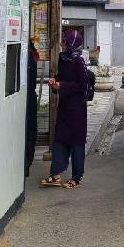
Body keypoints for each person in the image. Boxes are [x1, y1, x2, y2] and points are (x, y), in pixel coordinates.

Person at [41, 30, 89, 189]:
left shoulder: (79, 62)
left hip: (77, 108)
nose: (63, 45)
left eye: (65, 42)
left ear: (72, 44)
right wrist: (55, 81)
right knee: (60, 139)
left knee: (76, 142)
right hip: (65, 106)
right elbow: (61, 76)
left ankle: (76, 177)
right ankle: (55, 174)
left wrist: (63, 86)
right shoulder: (63, 58)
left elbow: (83, 86)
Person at [24, 41, 40, 178]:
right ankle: (27, 163)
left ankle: (25, 163)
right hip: (31, 96)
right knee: (31, 130)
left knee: (27, 131)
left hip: (26, 97)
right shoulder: (32, 54)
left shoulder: (26, 55)